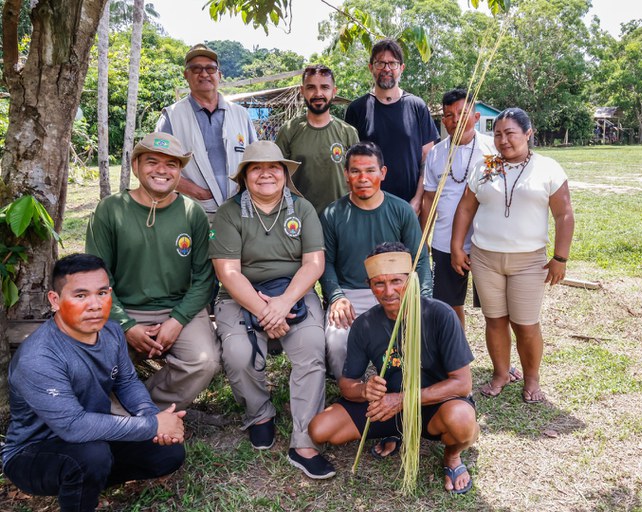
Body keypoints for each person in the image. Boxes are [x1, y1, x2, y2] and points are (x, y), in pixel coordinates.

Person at [2, 254, 186, 512]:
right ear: (55, 300)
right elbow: (73, 426)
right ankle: (81, 490)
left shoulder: (112, 331)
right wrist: (151, 425)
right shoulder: (39, 357)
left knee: (168, 454)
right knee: (91, 457)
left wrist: (152, 418)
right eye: (80, 295)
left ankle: (86, 480)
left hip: (91, 437)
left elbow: (127, 382)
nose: (95, 305)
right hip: (32, 453)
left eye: (102, 293)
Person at [309, 243, 479, 494]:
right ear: (369, 286)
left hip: (435, 405)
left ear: (411, 280)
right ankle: (399, 432)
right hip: (388, 406)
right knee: (320, 429)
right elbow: (347, 385)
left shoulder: (440, 314)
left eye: (396, 281)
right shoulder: (365, 325)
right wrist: (364, 390)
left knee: (462, 421)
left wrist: (402, 400)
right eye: (379, 283)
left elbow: (462, 384)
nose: (388, 292)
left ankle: (452, 457)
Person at [209, 141, 333, 479]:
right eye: (256, 168)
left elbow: (314, 263)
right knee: (238, 352)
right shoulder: (229, 212)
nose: (266, 174)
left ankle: (305, 440)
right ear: (244, 176)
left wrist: (283, 303)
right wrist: (266, 311)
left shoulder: (302, 209)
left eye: (273, 167)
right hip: (239, 295)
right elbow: (227, 272)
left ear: (285, 174)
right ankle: (259, 412)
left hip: (293, 292)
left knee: (312, 347)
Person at [85, 132, 219, 411]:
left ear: (179, 171)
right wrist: (126, 325)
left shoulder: (192, 213)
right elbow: (97, 278)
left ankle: (146, 411)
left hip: (178, 309)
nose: (162, 170)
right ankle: (118, 414)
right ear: (136, 166)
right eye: (152, 162)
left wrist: (177, 320)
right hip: (122, 308)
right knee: (96, 364)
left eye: (171, 164)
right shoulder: (110, 210)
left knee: (204, 361)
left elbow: (204, 278)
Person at [451, 108, 574, 402]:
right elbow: (466, 208)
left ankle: (532, 379)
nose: (503, 140)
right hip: (485, 258)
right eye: (497, 134)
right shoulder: (484, 167)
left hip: (528, 261)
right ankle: (501, 373)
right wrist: (457, 246)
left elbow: (564, 214)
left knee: (525, 324)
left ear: (528, 133)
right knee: (494, 320)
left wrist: (560, 258)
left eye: (510, 133)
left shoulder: (547, 168)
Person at [320, 141, 432, 380]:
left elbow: (420, 259)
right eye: (355, 171)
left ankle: (405, 386)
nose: (363, 178)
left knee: (419, 338)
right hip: (351, 293)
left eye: (370, 170)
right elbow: (325, 262)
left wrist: (422, 299)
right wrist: (336, 296)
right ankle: (351, 390)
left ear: (383, 172)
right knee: (337, 341)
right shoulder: (332, 214)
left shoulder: (401, 210)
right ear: (346, 174)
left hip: (397, 290)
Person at [421, 88, 496, 330]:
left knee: (494, 310)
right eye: (449, 115)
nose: (456, 120)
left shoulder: (494, 150)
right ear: (443, 120)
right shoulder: (435, 153)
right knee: (449, 307)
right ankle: (456, 350)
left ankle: (499, 355)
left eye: (463, 113)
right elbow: (429, 199)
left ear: (476, 116)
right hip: (444, 242)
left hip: (486, 241)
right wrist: (423, 238)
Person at [156, 43, 257, 216]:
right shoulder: (171, 117)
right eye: (196, 69)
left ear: (219, 75)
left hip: (240, 209)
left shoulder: (241, 114)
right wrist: (197, 192)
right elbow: (156, 166)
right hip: (194, 211)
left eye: (210, 69)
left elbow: (255, 159)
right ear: (186, 75)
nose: (204, 74)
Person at [344, 38, 438, 213]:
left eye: (392, 63)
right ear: (371, 67)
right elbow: (349, 162)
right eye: (380, 63)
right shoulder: (357, 109)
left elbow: (428, 157)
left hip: (409, 207)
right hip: (366, 207)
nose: (386, 68)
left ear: (401, 68)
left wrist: (418, 200)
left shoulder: (417, 107)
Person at [276, 64, 359, 214]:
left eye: (325, 87)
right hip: (299, 218)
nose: (318, 93)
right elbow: (276, 177)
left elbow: (357, 179)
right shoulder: (288, 131)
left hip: (340, 218)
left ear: (334, 91)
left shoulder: (348, 133)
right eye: (311, 87)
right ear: (302, 91)